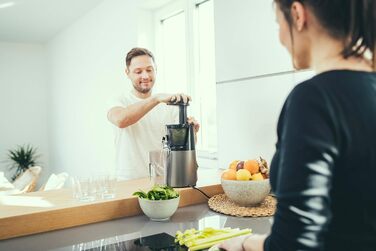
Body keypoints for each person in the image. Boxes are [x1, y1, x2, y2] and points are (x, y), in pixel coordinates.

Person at [216, 0, 376, 250]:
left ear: (297, 15)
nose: (280, 36)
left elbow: (295, 244)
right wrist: (248, 241)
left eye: (278, 22)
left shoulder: (314, 99)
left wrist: (244, 245)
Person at [107, 47, 200, 180]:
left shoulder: (168, 105)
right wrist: (156, 99)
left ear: (156, 70)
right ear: (127, 72)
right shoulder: (118, 100)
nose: (145, 76)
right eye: (138, 71)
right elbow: (121, 120)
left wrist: (193, 133)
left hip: (162, 179)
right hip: (128, 180)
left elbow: (181, 147)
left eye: (149, 70)